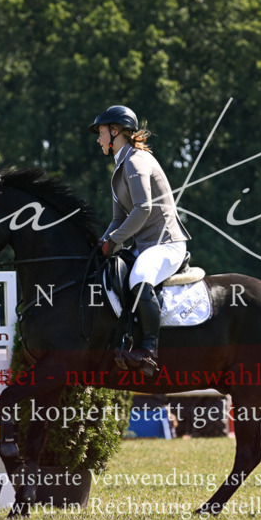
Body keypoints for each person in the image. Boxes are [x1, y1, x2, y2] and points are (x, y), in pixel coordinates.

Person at [89, 105, 191, 376]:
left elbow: (143, 209)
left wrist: (114, 242)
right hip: (144, 246)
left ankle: (149, 350)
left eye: (101, 132)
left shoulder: (136, 161)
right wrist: (101, 244)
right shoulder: (120, 166)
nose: (98, 140)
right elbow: (118, 218)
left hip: (166, 244)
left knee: (138, 278)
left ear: (116, 131)